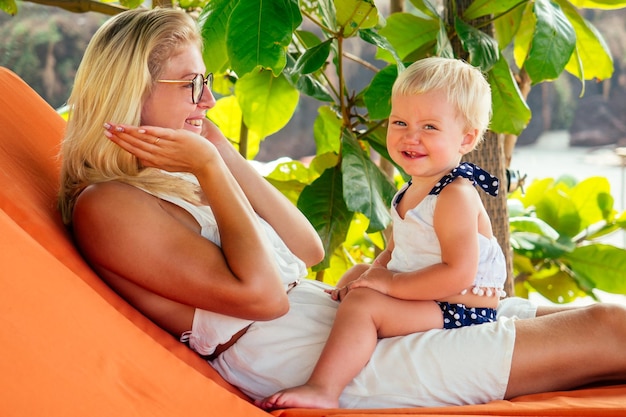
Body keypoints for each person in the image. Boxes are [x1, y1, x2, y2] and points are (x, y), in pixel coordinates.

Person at [58, 7, 626, 411]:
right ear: (131, 90)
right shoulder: (108, 206)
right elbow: (262, 296)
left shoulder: (176, 182)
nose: (209, 100)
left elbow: (306, 249)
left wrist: (223, 155)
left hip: (348, 330)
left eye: (209, 82)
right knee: (608, 329)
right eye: (192, 83)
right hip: (316, 361)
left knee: (611, 322)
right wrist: (208, 166)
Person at [257, 57, 508, 409]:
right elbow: (394, 251)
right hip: (431, 292)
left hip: (460, 308)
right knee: (359, 275)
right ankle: (342, 336)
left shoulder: (454, 195)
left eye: (430, 127)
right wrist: (376, 273)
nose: (410, 136)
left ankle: (323, 388)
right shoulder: (413, 187)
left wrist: (387, 286)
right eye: (400, 122)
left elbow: (459, 273)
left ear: (466, 138)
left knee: (365, 302)